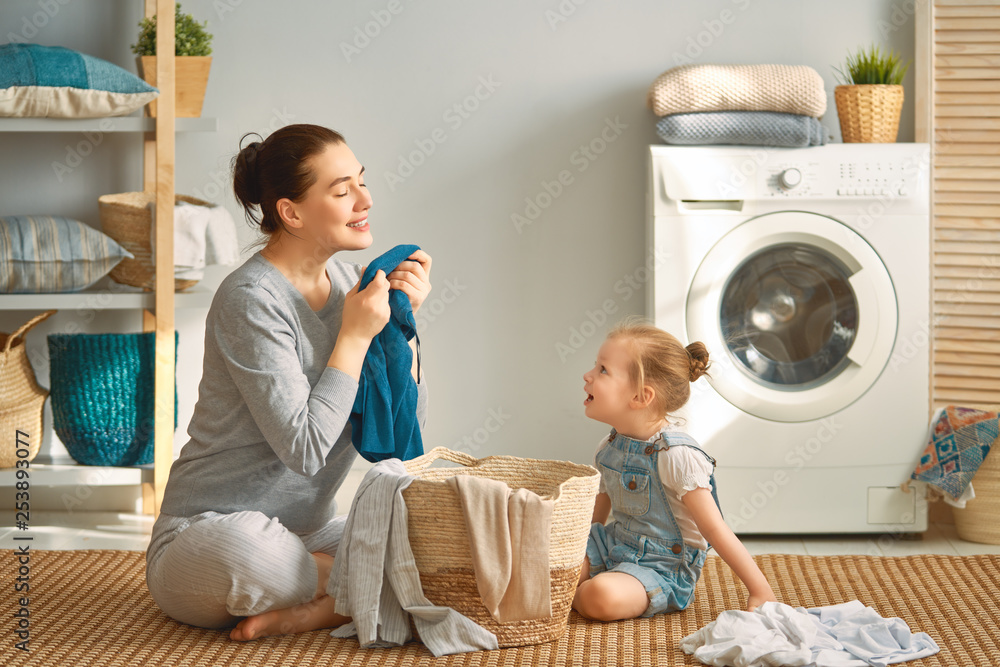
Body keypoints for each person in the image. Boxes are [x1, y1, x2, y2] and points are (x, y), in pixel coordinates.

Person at [144, 123, 433, 640]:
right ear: (291, 212)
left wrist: (401, 327)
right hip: (209, 533)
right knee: (254, 555)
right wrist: (354, 337)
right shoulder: (251, 299)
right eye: (342, 190)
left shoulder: (353, 288)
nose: (364, 199)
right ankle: (353, 587)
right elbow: (304, 450)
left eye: (361, 181)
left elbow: (404, 431)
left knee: (433, 543)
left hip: (311, 531)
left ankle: (316, 604)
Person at [573, 319, 776, 621]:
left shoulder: (676, 456)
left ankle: (572, 595)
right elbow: (596, 519)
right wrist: (572, 557)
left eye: (603, 370)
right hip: (614, 544)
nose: (588, 375)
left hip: (662, 565)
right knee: (554, 564)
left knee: (599, 597)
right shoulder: (608, 446)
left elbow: (715, 530)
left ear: (641, 397)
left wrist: (760, 590)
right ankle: (569, 588)